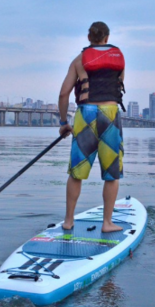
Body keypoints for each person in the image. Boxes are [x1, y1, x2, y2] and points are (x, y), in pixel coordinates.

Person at [58, 21, 126, 233]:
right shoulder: (118, 58)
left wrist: (63, 123)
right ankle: (107, 223)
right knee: (111, 174)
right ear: (107, 38)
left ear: (89, 38)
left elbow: (64, 94)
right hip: (110, 114)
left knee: (76, 173)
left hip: (85, 115)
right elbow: (119, 85)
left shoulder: (79, 61)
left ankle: (69, 221)